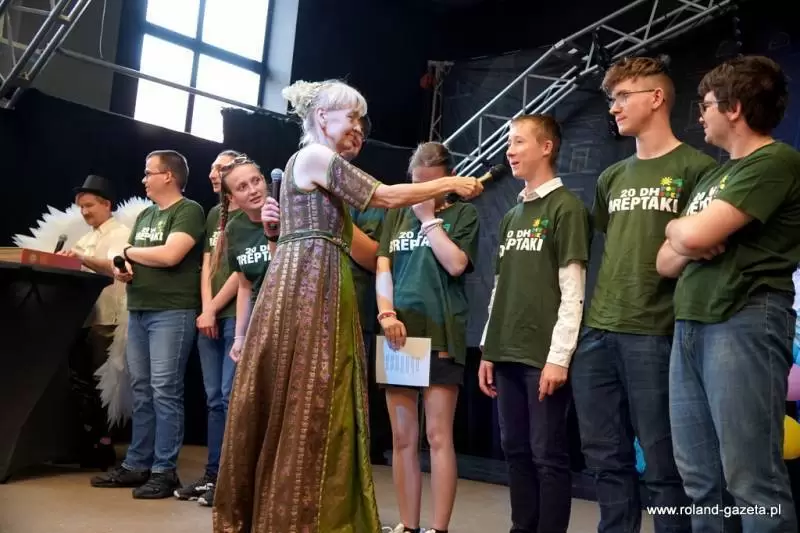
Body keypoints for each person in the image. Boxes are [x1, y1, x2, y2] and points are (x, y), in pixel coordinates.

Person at [212, 79, 482, 533]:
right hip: (309, 287)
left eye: (361, 119)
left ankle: (299, 509)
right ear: (322, 117)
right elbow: (386, 196)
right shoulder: (315, 157)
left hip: (316, 283)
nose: (358, 127)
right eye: (351, 117)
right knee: (309, 394)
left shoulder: (316, 171)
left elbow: (358, 246)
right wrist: (448, 183)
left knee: (309, 399)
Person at [570, 56, 717, 533]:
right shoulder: (611, 177)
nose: (613, 107)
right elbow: (613, 243)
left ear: (656, 98)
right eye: (611, 99)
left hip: (657, 331)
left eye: (622, 97)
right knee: (604, 457)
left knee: (663, 463)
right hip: (598, 332)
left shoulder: (698, 168)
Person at [656, 55, 800, 533]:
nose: (700, 115)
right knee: (700, 480)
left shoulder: (776, 161)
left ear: (733, 108)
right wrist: (683, 232)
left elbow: (690, 238)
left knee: (752, 479)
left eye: (706, 105)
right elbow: (664, 261)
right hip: (691, 325)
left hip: (744, 319)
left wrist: (683, 233)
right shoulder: (712, 177)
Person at [478, 114, 590, 533]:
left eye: (518, 142)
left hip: (542, 356)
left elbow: (573, 289)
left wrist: (559, 357)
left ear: (546, 147)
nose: (509, 151)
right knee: (515, 450)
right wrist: (488, 348)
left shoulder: (567, 208)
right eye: (509, 142)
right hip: (505, 351)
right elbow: (499, 288)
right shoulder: (511, 215)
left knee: (547, 455)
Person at [377, 141, 480, 533]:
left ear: (447, 180)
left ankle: (439, 529)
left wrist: (428, 220)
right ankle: (408, 525)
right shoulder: (395, 215)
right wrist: (386, 313)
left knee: (438, 436)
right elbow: (384, 268)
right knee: (403, 438)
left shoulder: (463, 214)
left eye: (432, 183)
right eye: (418, 182)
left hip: (440, 333)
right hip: (400, 334)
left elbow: (455, 264)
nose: (424, 191)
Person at [91, 150, 205, 499]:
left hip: (172, 311)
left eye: (149, 172)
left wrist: (127, 253)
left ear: (168, 176)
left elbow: (170, 255)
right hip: (140, 308)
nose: (143, 179)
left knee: (165, 389)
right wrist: (125, 266)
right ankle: (137, 463)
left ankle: (164, 470)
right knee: (141, 388)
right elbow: (135, 256)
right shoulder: (145, 216)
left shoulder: (189, 210)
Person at [175, 149, 241, 504]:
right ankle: (213, 474)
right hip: (210, 315)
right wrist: (205, 309)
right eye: (213, 167)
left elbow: (242, 270)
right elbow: (207, 265)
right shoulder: (215, 214)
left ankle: (232, 477)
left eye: (223, 167)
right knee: (214, 399)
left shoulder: (250, 212)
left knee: (231, 397)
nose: (214, 173)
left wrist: (214, 308)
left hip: (235, 316)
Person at [62, 175, 130, 470]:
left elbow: (115, 267)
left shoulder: (121, 233)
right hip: (84, 318)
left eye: (89, 206)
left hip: (108, 319)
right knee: (82, 382)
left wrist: (80, 257)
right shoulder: (85, 239)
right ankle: (86, 441)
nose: (85, 212)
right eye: (81, 207)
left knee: (103, 385)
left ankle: (104, 445)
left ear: (107, 204)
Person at [347, 115, 392, 465]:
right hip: (308, 308)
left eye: (360, 132)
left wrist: (335, 218)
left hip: (354, 310)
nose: (354, 137)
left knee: (350, 399)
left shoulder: (364, 191)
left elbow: (375, 255)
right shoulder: (302, 183)